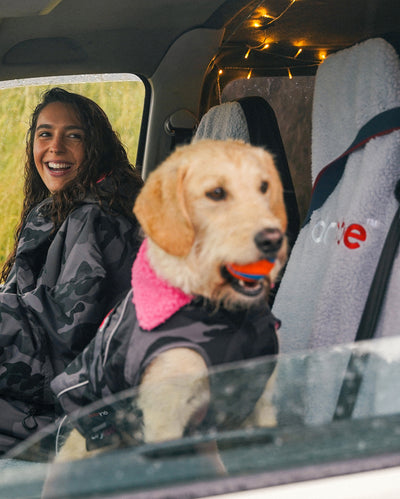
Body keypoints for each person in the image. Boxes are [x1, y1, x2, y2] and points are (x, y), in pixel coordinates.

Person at [0, 87, 143, 457]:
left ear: (96, 148)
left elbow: (65, 346)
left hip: (74, 420)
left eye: (73, 136)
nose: (55, 147)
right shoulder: (65, 210)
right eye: (45, 133)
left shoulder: (96, 219)